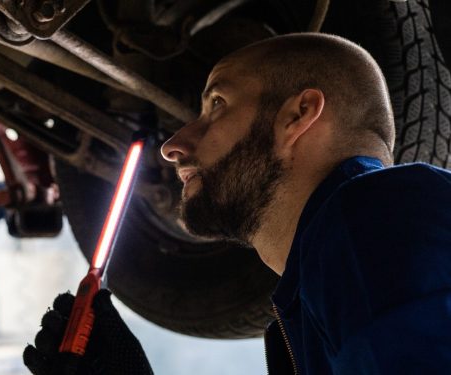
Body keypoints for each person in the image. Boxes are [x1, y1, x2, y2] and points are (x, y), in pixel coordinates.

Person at [23, 32, 451, 374]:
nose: (173, 146)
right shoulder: (338, 261)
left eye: (217, 105)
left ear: (298, 115)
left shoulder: (377, 218)